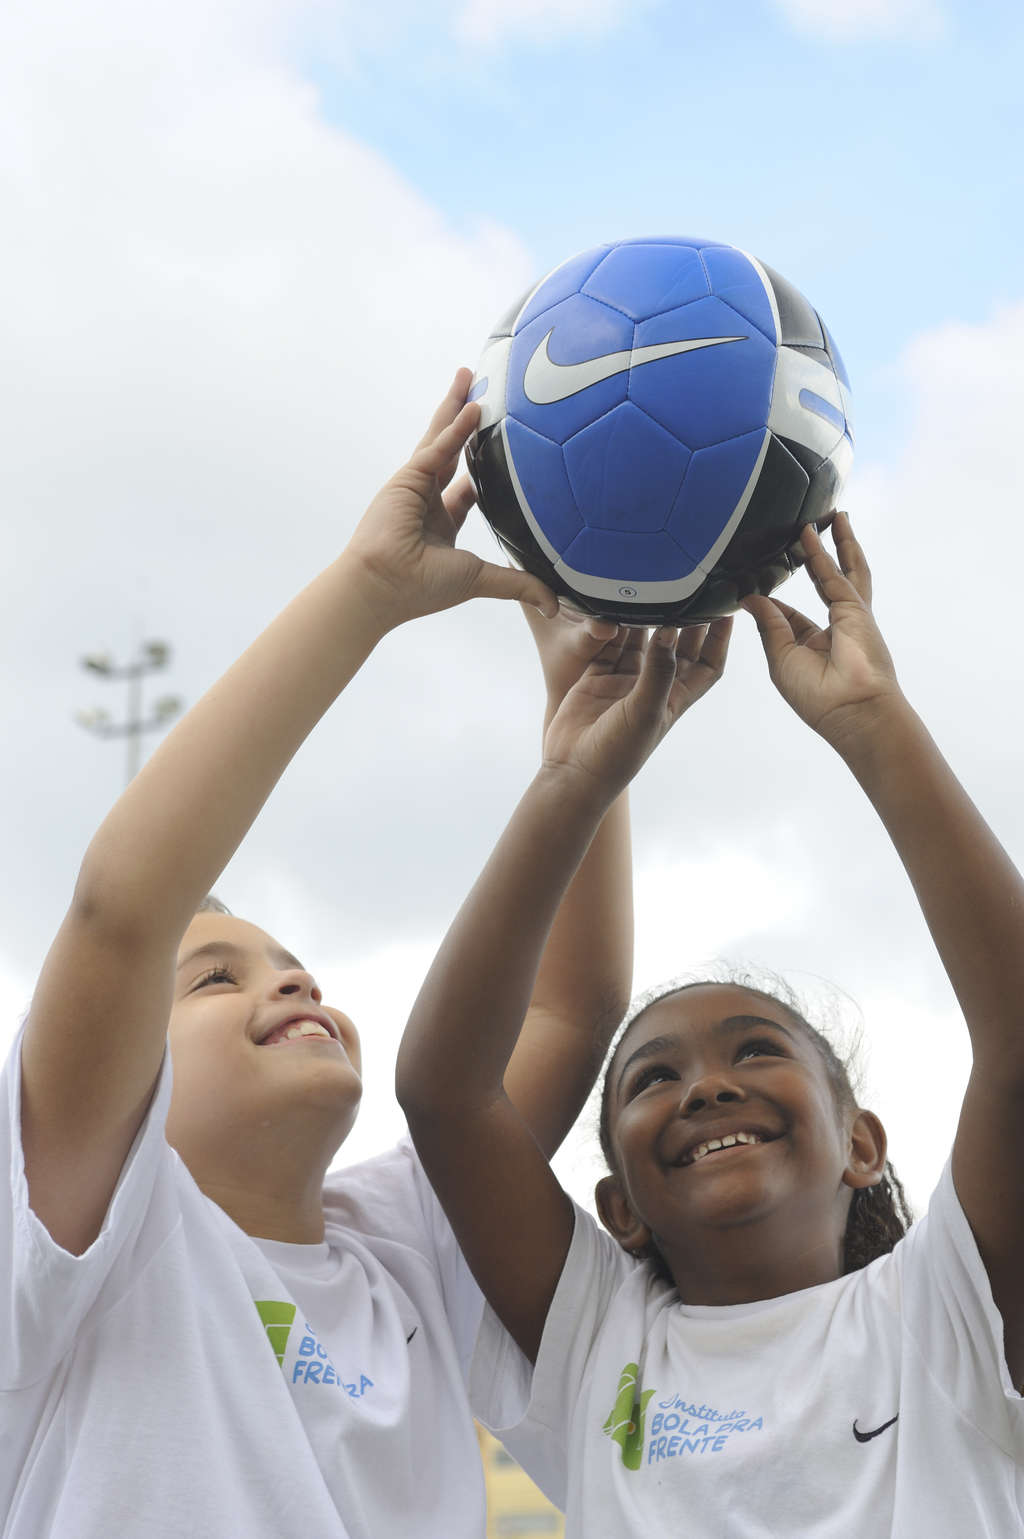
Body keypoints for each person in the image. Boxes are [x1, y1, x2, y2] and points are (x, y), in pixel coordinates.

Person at [1, 373, 651, 1538]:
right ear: (119, 1078)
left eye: (292, 962)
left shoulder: (397, 1249)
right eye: (216, 977)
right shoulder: (83, 1237)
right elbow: (118, 911)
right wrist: (367, 592)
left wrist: (582, 754)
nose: (290, 981)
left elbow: (569, 1012)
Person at [397, 513, 1024, 1536]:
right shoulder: (600, 1343)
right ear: (620, 1210)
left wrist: (873, 718)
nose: (705, 1087)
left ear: (859, 1143)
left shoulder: (940, 1316)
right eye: (650, 1079)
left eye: (757, 1051)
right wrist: (575, 777)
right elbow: (446, 1094)